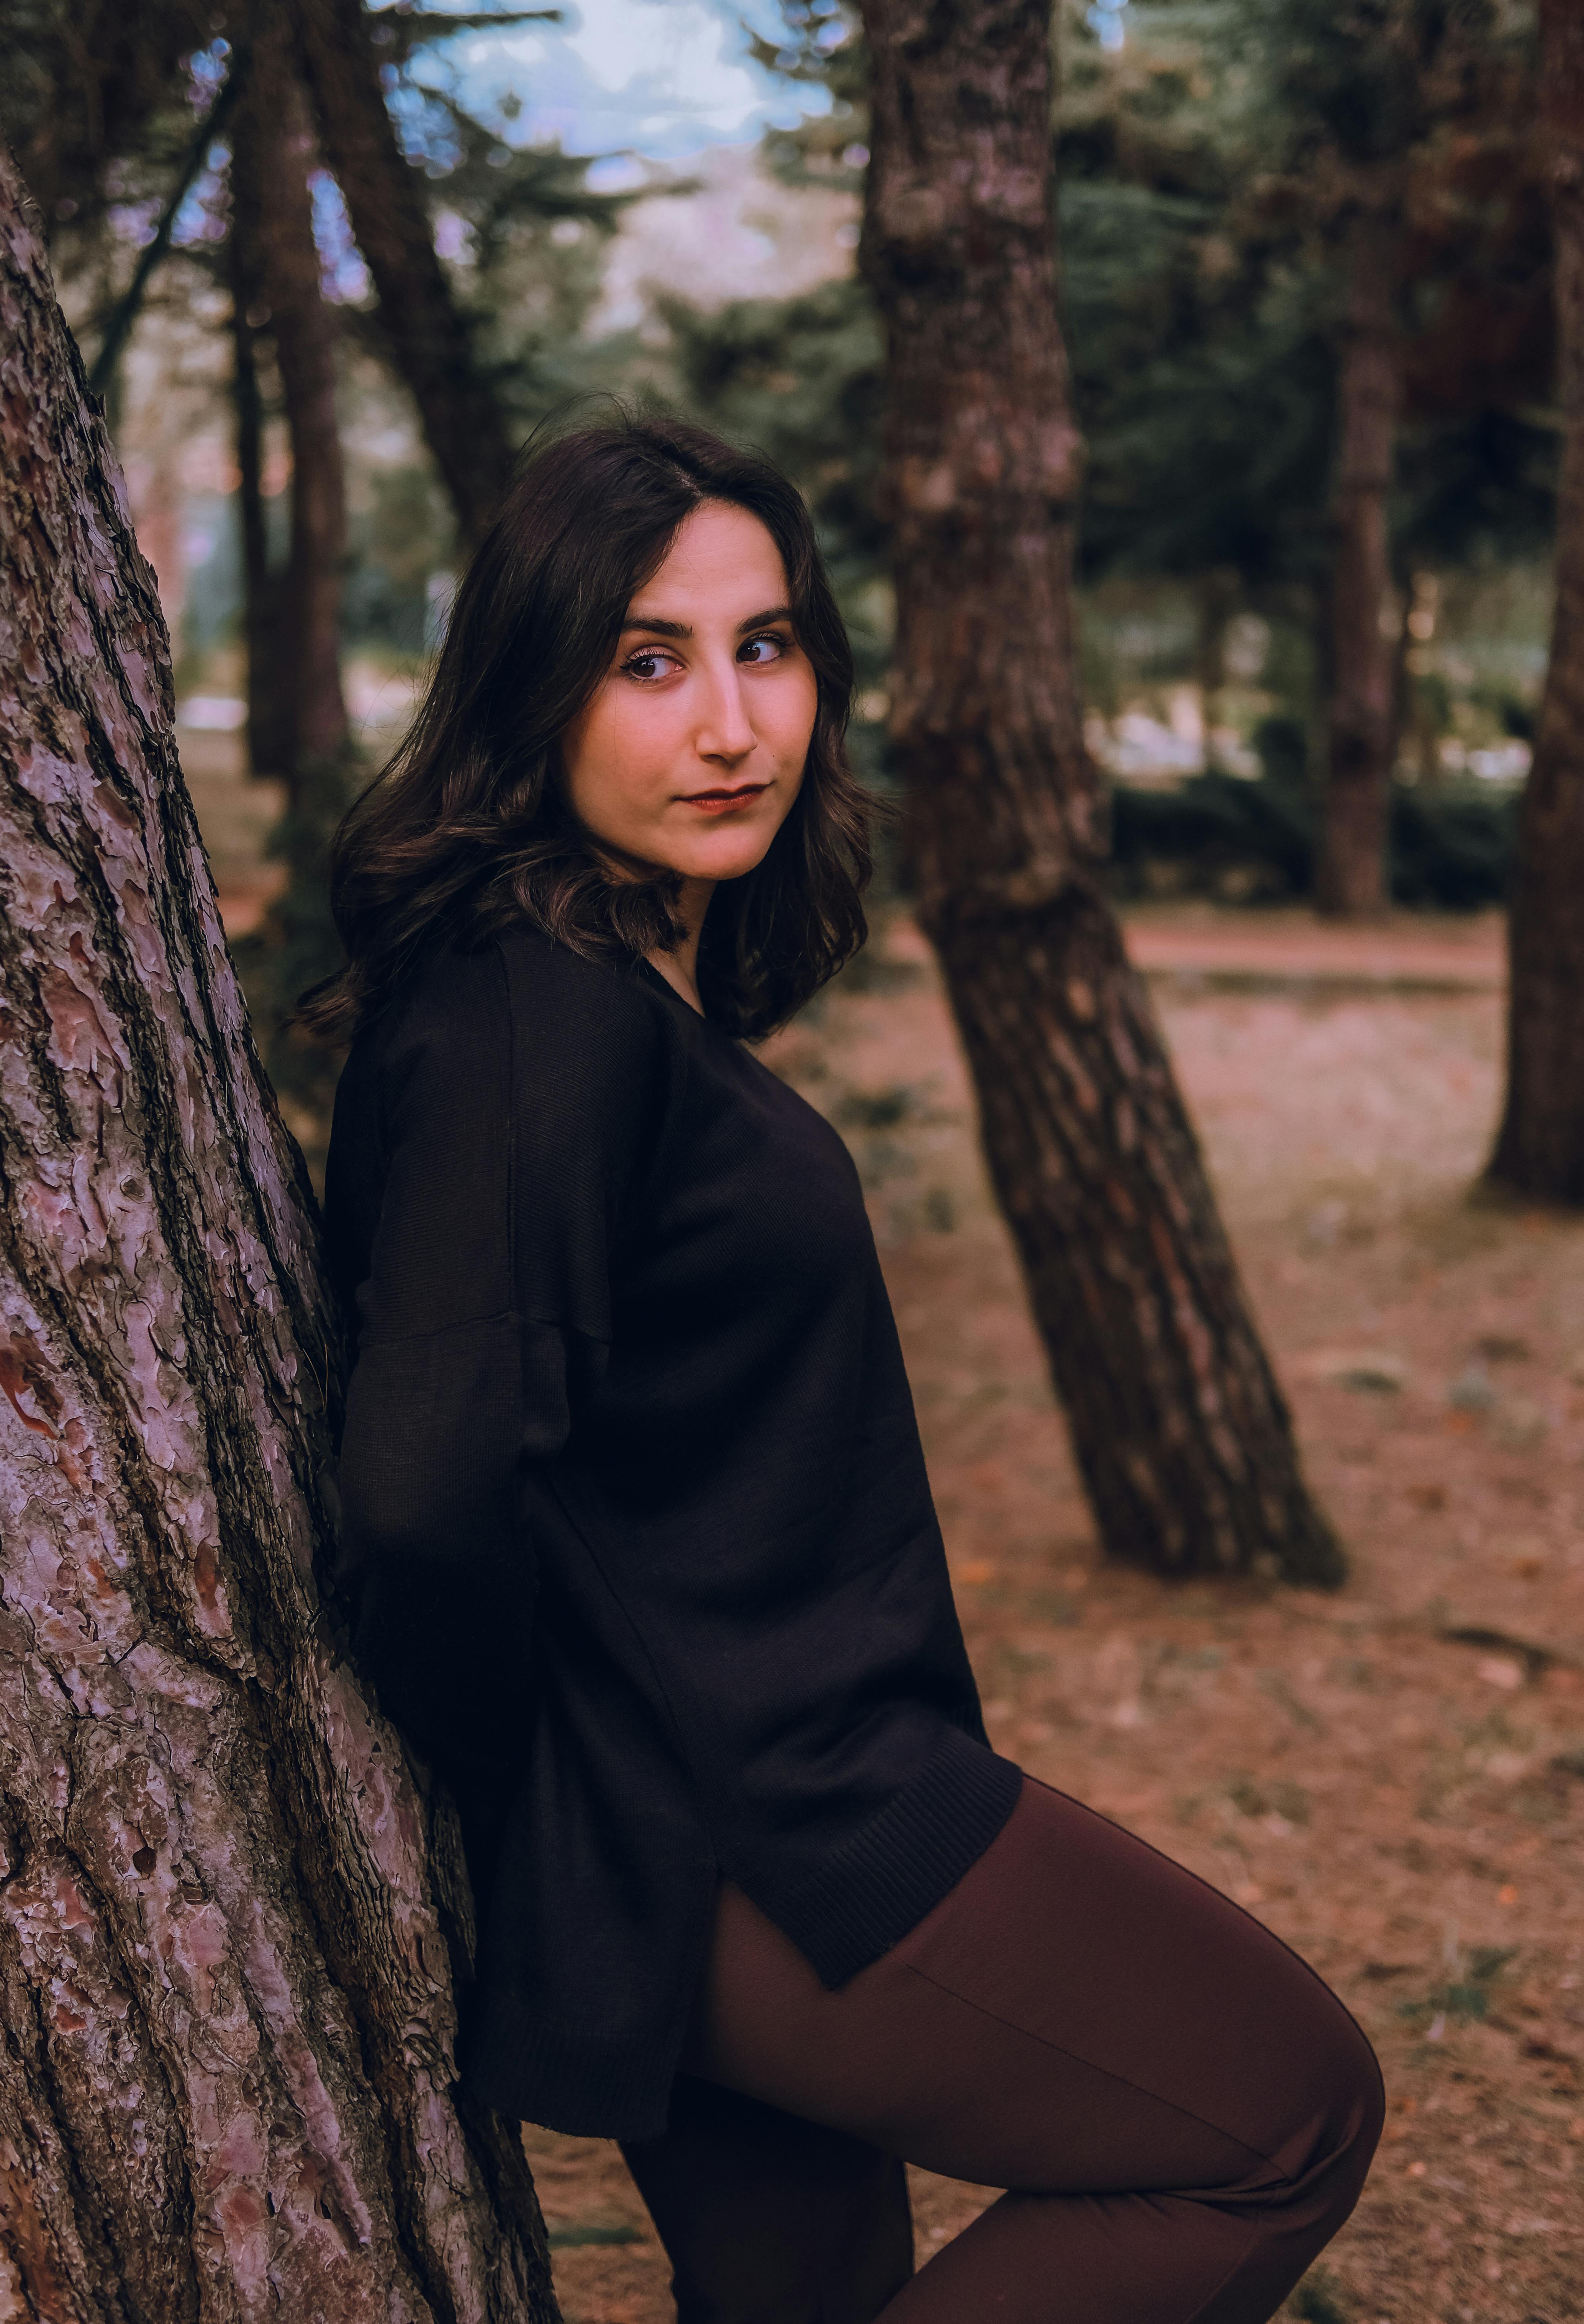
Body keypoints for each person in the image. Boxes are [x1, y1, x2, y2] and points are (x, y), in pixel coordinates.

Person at [312, 411, 1384, 2324]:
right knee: (1280, 2111)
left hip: (733, 1792)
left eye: (768, 644)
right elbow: (421, 1480)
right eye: (647, 661)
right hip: (751, 1817)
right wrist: (554, 1803)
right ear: (529, 685)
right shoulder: (526, 1019)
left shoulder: (597, 984)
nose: (731, 724)